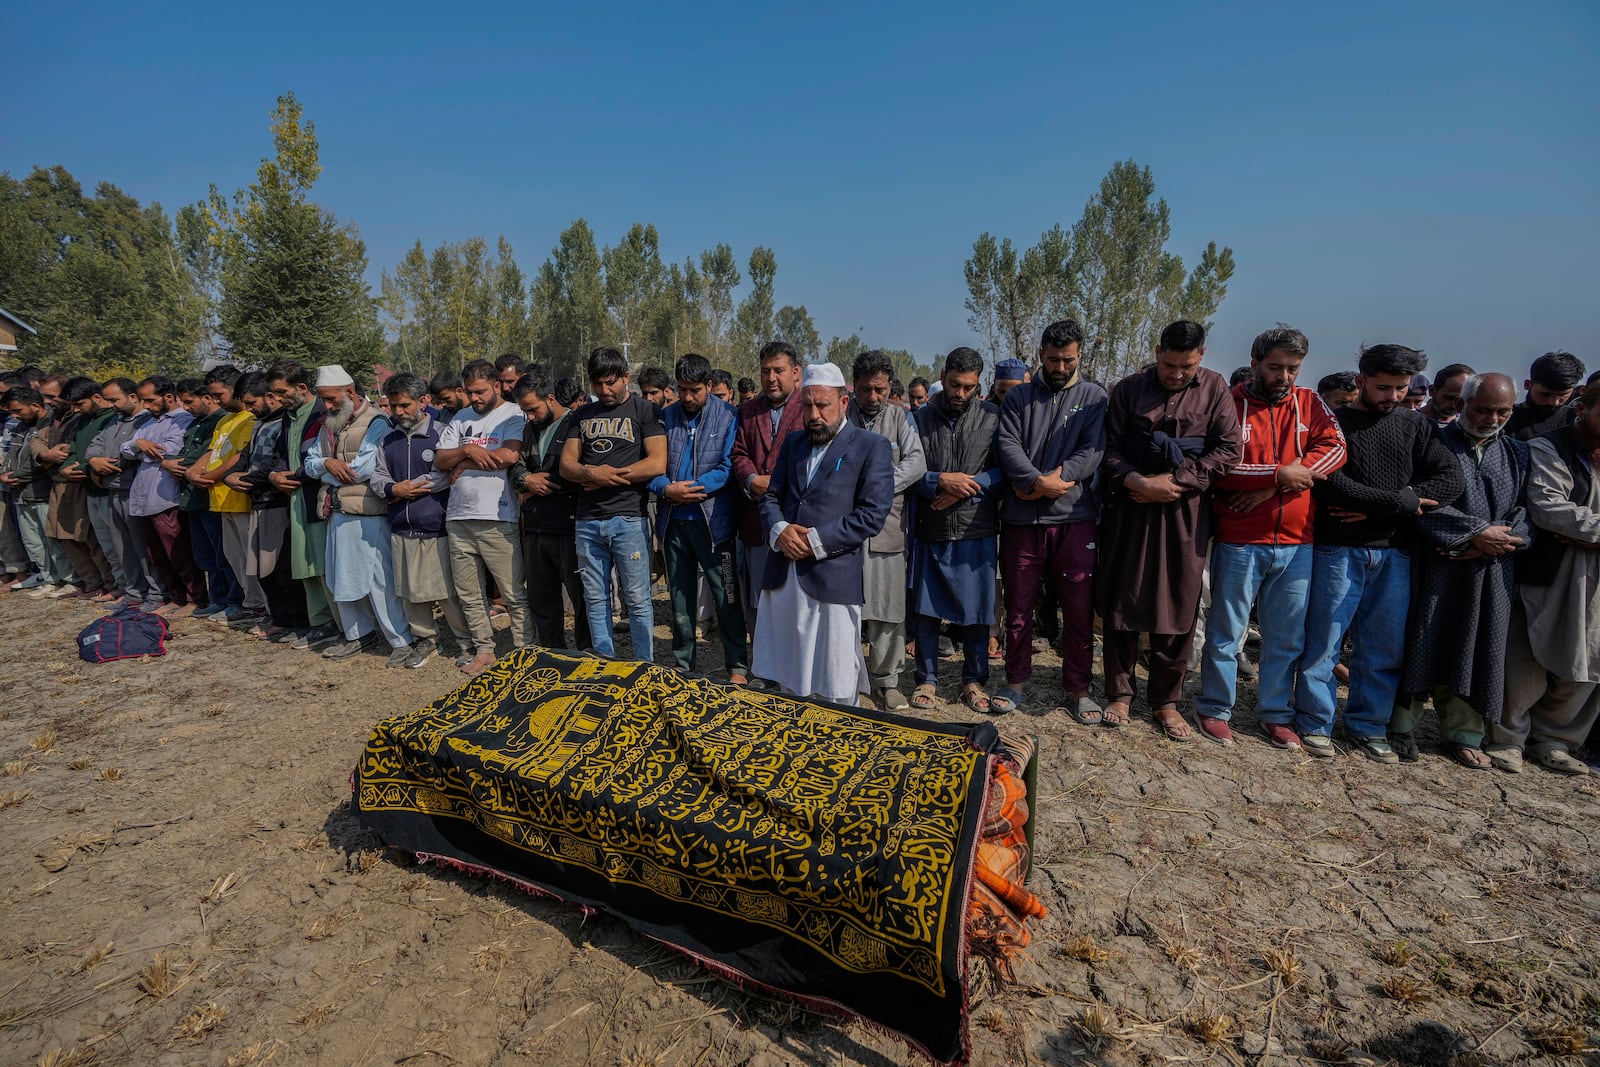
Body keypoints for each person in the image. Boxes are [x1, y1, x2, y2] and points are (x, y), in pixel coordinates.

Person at [1294, 345, 1465, 760]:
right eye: (1383, 387)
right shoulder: (1335, 424)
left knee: (1383, 648)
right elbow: (1331, 482)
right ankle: (1314, 723)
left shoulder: (1417, 427)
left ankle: (1368, 726)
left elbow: (1451, 479)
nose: (1392, 396)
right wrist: (1402, 504)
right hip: (1337, 550)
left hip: (1394, 553)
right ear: (1360, 382)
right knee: (1324, 643)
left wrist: (1400, 505)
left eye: (1401, 388)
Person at [1196, 326, 1346, 745]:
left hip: (1298, 542)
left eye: (1293, 368)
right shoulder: (1229, 403)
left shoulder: (1309, 402)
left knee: (1286, 636)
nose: (1284, 376)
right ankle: (1214, 707)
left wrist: (1274, 484)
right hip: (1241, 540)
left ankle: (1275, 712)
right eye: (1275, 366)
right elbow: (1219, 466)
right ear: (1256, 361)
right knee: (1227, 631)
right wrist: (1279, 473)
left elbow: (1335, 449)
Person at [1096, 321, 1241, 741]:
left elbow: (1229, 450)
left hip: (1186, 511)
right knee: (1124, 598)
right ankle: (1120, 692)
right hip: (1132, 506)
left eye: (1186, 366)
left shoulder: (1215, 390)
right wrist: (1138, 482)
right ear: (1156, 351)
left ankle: (1166, 701)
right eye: (1168, 364)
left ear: (1202, 355)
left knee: (1178, 603)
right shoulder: (1128, 389)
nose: (1176, 374)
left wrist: (1176, 481)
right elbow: (1107, 448)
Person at [1392, 373, 1528, 769]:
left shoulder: (1519, 453)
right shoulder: (1432, 443)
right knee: (1423, 638)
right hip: (1438, 563)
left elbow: (1527, 512)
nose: (1492, 418)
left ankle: (1464, 734)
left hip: (1492, 569)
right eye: (1483, 409)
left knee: (1479, 646)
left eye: (1502, 411)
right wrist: (1473, 534)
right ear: (1461, 405)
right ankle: (1401, 726)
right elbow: (1418, 502)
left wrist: (1503, 540)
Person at [751, 363, 893, 703]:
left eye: (822, 406)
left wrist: (814, 541)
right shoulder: (793, 443)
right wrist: (780, 530)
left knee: (836, 676)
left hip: (831, 576)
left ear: (843, 403)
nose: (813, 415)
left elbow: (871, 515)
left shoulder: (871, 446)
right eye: (807, 406)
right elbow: (771, 496)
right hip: (785, 574)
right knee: (789, 670)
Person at [991, 321, 1108, 717]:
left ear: (1080, 356)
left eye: (1069, 359)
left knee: (1078, 607)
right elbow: (1007, 444)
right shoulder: (1018, 397)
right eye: (1054, 358)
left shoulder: (1093, 397)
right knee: (1019, 606)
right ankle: (1015, 681)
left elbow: (1093, 449)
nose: (1060, 366)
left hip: (1074, 518)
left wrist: (1058, 480)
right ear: (1040, 354)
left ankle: (1078, 687)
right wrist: (1036, 481)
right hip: (1023, 520)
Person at [1489, 382, 1600, 775]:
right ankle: (1508, 738)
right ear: (1582, 408)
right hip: (1554, 569)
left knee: (1589, 658)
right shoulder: (1548, 447)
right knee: (1528, 654)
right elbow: (1551, 507)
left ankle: (1556, 740)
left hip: (1596, 578)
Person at [909, 347, 1002, 711]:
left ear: (978, 384)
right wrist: (939, 480)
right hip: (931, 527)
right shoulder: (919, 419)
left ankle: (973, 680)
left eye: (968, 387)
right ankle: (927, 680)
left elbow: (1005, 470)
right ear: (943, 375)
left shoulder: (993, 418)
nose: (959, 394)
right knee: (927, 611)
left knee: (977, 612)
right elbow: (908, 471)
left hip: (975, 528)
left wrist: (968, 484)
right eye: (953, 384)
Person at [560, 347, 666, 662]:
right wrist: (589, 472)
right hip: (587, 521)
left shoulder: (644, 410)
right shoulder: (581, 415)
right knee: (595, 598)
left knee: (637, 599)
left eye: (611, 383)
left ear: (625, 377)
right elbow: (567, 465)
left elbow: (657, 463)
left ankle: (644, 664)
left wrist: (607, 477)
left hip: (629, 519)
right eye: (598, 384)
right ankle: (605, 662)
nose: (604, 391)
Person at [305, 364, 413, 664]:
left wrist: (327, 469)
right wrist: (328, 465)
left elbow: (364, 470)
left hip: (368, 513)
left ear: (350, 392)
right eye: (323, 400)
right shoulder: (329, 423)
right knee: (341, 579)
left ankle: (400, 639)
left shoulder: (376, 421)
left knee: (380, 581)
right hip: (337, 512)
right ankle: (359, 635)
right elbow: (310, 462)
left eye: (331, 400)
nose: (326, 406)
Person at [650, 353, 748, 681]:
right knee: (679, 597)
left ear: (709, 385)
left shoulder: (729, 416)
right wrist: (665, 489)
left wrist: (694, 488)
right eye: (682, 390)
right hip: (674, 522)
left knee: (727, 596)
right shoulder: (666, 417)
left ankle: (736, 664)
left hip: (713, 523)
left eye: (695, 390)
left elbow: (728, 465)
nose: (688, 397)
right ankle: (683, 662)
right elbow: (652, 466)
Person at [435, 359, 531, 675]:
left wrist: (461, 464)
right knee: (470, 592)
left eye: (480, 392)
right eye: (470, 392)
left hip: (497, 515)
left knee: (512, 590)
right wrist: (466, 453)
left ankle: (524, 651)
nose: (475, 398)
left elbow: (508, 456)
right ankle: (484, 649)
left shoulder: (512, 414)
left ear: (496, 385)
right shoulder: (460, 418)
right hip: (458, 516)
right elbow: (439, 460)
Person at [371, 372, 470, 669]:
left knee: (447, 590)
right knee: (410, 590)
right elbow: (377, 475)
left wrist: (412, 487)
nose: (398, 412)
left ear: (423, 401)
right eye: (393, 407)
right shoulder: (388, 439)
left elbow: (445, 476)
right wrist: (392, 489)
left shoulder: (443, 433)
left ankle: (467, 642)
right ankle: (427, 639)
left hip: (436, 526)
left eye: (404, 406)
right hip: (401, 525)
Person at [846, 350, 927, 709]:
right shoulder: (841, 415)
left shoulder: (900, 419)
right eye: (866, 390)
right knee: (842, 608)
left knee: (887, 609)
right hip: (844, 530)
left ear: (890, 386)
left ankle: (886, 680)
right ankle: (846, 678)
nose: (873, 397)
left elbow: (917, 463)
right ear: (855, 386)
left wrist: (877, 484)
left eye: (880, 390)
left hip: (886, 529)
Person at [509, 373, 589, 651]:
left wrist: (544, 479)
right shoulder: (530, 429)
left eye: (533, 409)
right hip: (535, 526)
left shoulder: (576, 423)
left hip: (570, 527)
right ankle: (553, 654)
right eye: (524, 411)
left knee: (582, 598)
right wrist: (525, 480)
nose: (529, 416)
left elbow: (579, 469)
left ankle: (585, 657)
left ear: (551, 398)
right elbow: (516, 466)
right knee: (542, 600)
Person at [730, 341, 807, 626]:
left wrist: (776, 484)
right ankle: (763, 665)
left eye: (778, 370)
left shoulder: (809, 407)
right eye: (765, 371)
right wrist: (751, 480)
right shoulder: (749, 410)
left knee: (794, 602)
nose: (771, 378)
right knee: (759, 600)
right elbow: (739, 452)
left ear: (795, 371)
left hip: (795, 520)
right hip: (756, 519)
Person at [267, 362, 340, 650]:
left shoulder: (325, 414)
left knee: (324, 565)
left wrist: (296, 474)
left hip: (318, 498)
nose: (278, 398)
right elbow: (282, 456)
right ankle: (319, 622)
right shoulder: (288, 417)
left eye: (282, 391)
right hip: (295, 500)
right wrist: (275, 475)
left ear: (301, 388)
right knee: (305, 564)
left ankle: (339, 622)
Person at [224, 373, 300, 638]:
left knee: (281, 569)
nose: (248, 409)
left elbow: (279, 464)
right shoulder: (259, 424)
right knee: (262, 569)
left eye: (251, 402)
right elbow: (244, 458)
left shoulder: (286, 424)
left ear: (270, 397)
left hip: (278, 503)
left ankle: (292, 622)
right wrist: (230, 476)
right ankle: (279, 619)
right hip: (258, 502)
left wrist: (245, 478)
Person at [121, 376, 205, 616]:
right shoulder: (148, 422)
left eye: (150, 399)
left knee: (177, 552)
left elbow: (169, 451)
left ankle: (194, 598)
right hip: (144, 496)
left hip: (166, 497)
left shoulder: (182, 419)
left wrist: (141, 448)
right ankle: (176, 596)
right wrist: (139, 444)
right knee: (156, 553)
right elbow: (126, 449)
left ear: (168, 397)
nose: (146, 405)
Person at [188, 366, 265, 626]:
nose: (216, 401)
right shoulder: (224, 420)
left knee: (249, 557)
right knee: (232, 556)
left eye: (219, 394)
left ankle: (258, 606)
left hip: (240, 498)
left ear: (235, 389)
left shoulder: (248, 418)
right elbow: (213, 451)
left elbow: (237, 457)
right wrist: (193, 471)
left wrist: (209, 477)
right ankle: (247, 603)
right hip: (219, 499)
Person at [170, 373, 237, 617]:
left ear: (206, 398)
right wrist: (175, 465)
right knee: (206, 555)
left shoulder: (224, 420)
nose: (186, 408)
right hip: (193, 497)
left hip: (211, 495)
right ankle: (219, 599)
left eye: (190, 402)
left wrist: (189, 469)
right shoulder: (197, 422)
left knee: (223, 554)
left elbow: (222, 455)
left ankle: (231, 601)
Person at [85, 377, 150, 605]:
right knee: (123, 547)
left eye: (114, 399)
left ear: (133, 397)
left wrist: (112, 462)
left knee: (142, 547)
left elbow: (134, 455)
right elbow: (93, 446)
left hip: (134, 491)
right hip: (113, 491)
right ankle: (133, 593)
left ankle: (154, 593)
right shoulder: (113, 421)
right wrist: (95, 460)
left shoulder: (148, 421)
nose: (110, 404)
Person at [1, 387, 72, 592]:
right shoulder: (21, 426)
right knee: (34, 543)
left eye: (18, 410)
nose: (14, 415)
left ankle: (68, 580)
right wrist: (5, 474)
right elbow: (11, 454)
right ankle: (49, 579)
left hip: (42, 492)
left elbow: (40, 462)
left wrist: (15, 477)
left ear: (34, 405)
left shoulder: (50, 424)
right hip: (21, 494)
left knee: (53, 541)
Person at [1507, 350, 1586, 440]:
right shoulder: (1504, 419)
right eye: (1546, 394)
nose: (1554, 402)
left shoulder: (1578, 420)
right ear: (1528, 385)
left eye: (1562, 395)